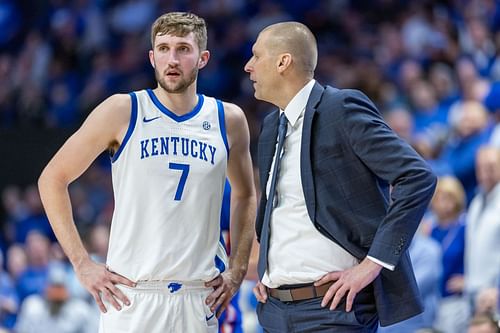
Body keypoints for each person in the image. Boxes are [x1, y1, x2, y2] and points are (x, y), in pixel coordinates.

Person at [38, 12, 256, 333]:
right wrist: (82, 265)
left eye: (183, 48)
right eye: (164, 48)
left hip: (199, 298)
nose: (172, 58)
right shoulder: (122, 110)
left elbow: (246, 193)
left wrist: (237, 270)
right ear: (152, 57)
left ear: (203, 58)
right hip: (131, 296)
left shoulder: (229, 119)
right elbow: (52, 179)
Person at [244, 21, 437, 332]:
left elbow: (417, 177)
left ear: (283, 62)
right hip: (275, 310)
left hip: (334, 309)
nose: (248, 66)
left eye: (256, 56)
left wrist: (372, 265)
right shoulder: (270, 127)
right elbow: (276, 209)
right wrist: (271, 271)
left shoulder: (341, 108)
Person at [464, 146, 500, 308]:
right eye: (481, 167)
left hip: (493, 293)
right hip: (473, 290)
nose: (485, 172)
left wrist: (497, 287)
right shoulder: (477, 201)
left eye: (491, 167)